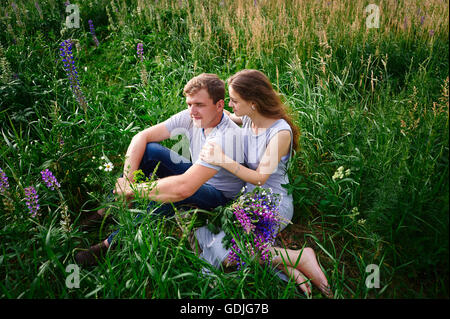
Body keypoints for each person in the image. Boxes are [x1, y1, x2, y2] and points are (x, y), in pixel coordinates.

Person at [75, 73, 245, 266]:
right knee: (150, 151)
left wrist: (133, 190)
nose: (192, 110)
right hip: (196, 174)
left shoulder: (226, 137)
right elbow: (141, 136)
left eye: (199, 105)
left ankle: (111, 243)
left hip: (219, 195)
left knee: (172, 195)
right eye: (189, 104)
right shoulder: (192, 117)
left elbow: (184, 188)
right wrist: (128, 181)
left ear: (219, 105)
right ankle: (109, 209)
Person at [196, 69, 332, 298]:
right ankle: (284, 264)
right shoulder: (249, 118)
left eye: (235, 100)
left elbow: (260, 177)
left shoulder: (280, 133)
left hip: (273, 203)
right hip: (248, 201)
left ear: (253, 103)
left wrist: (222, 160)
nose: (231, 104)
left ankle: (300, 257)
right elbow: (229, 118)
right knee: (224, 245)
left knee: (227, 253)